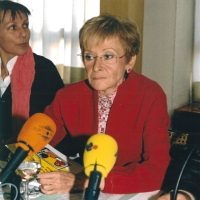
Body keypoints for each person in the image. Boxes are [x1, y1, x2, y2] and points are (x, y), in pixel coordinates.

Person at [38, 14, 171, 195]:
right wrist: (30, 164)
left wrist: (85, 182)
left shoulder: (149, 94)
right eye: (89, 56)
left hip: (132, 189)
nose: (97, 66)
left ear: (130, 60)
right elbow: (37, 142)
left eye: (108, 56)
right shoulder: (67, 97)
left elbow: (158, 172)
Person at [0, 1, 64, 145]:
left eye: (25, 25)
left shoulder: (44, 69)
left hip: (29, 156)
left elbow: (55, 128)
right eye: (13, 27)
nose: (23, 34)